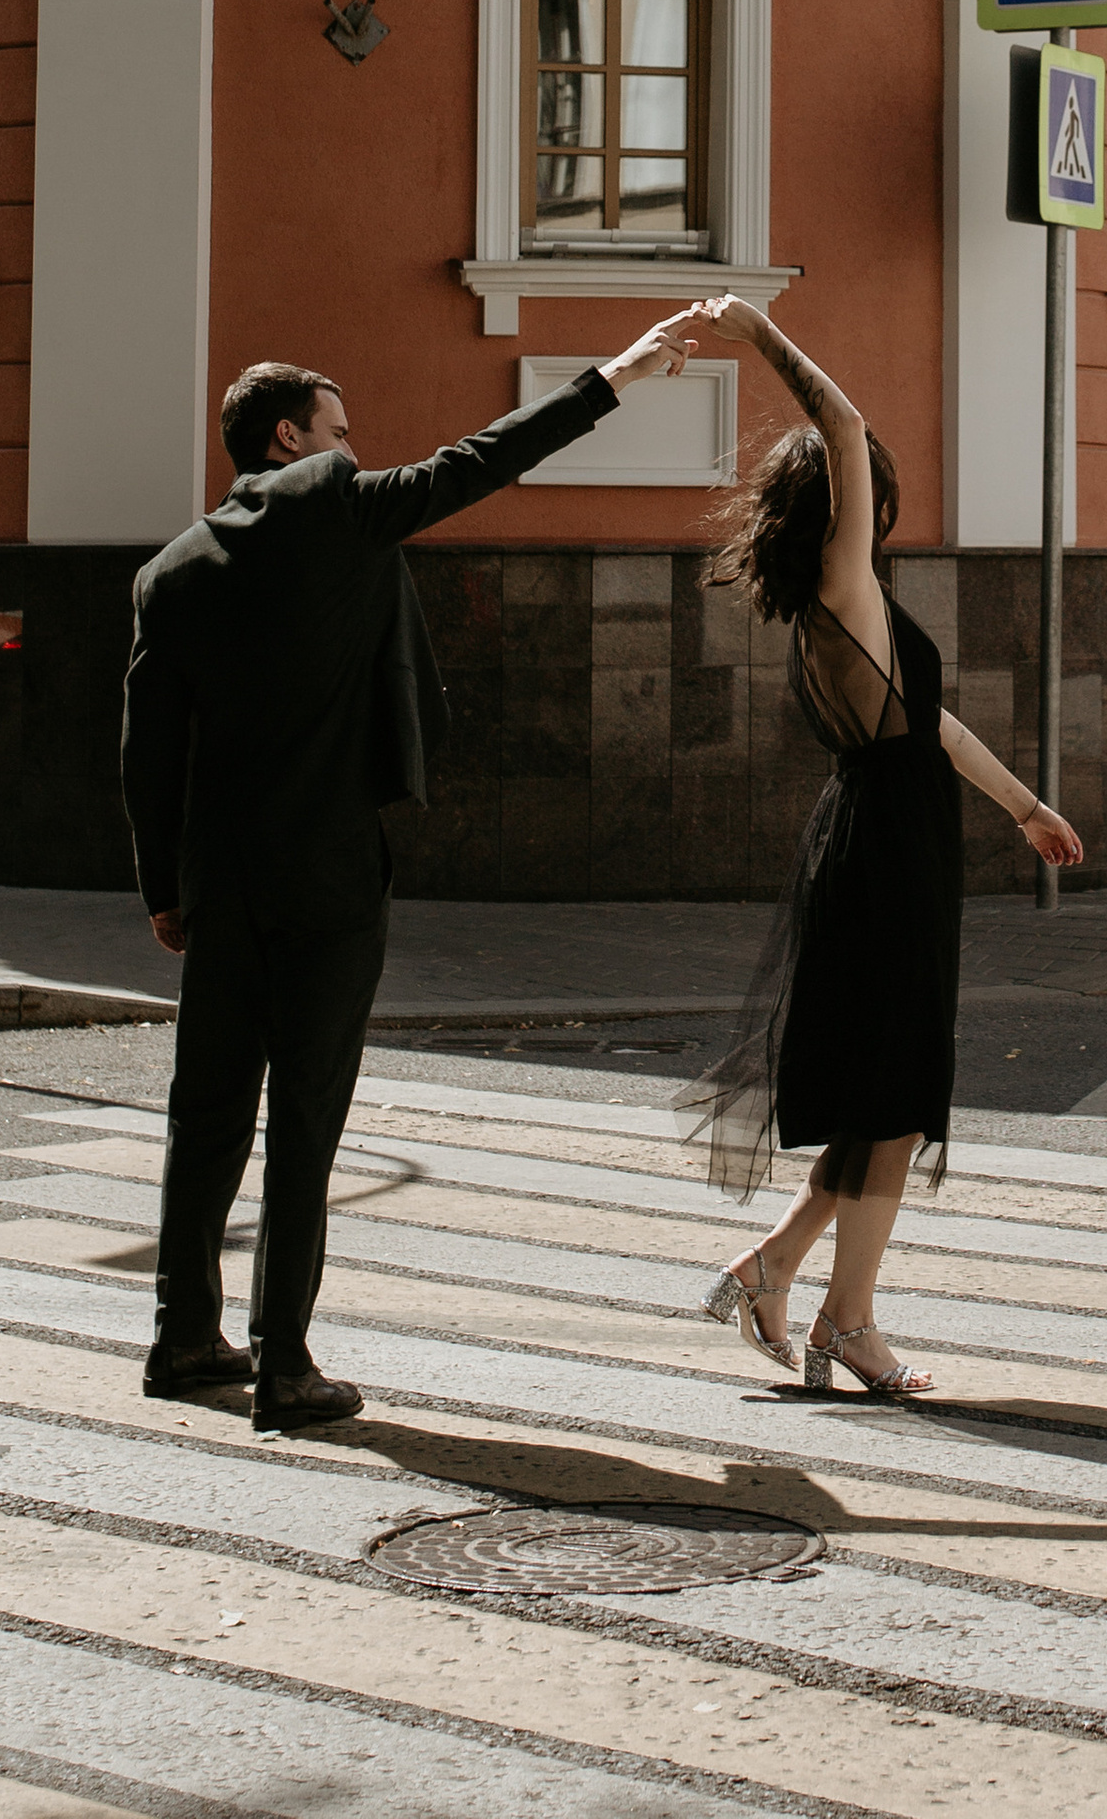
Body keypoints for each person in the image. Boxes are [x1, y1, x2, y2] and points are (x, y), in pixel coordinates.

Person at [123, 319, 696, 1434]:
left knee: (207, 1114)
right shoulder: (338, 510)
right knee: (306, 1117)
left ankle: (185, 1337)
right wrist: (618, 375)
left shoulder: (171, 573)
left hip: (221, 877)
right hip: (329, 870)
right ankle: (285, 1365)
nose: (358, 447)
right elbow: (488, 456)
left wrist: (162, 888)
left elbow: (147, 752)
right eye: (341, 431)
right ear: (292, 437)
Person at [693, 295, 1082, 1396]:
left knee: (886, 1097)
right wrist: (761, 333)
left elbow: (930, 727)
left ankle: (776, 1274)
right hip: (884, 857)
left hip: (889, 839)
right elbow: (846, 422)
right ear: (845, 503)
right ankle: (845, 1323)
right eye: (865, 481)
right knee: (897, 1100)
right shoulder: (843, 585)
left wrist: (1023, 805)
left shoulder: (848, 609)